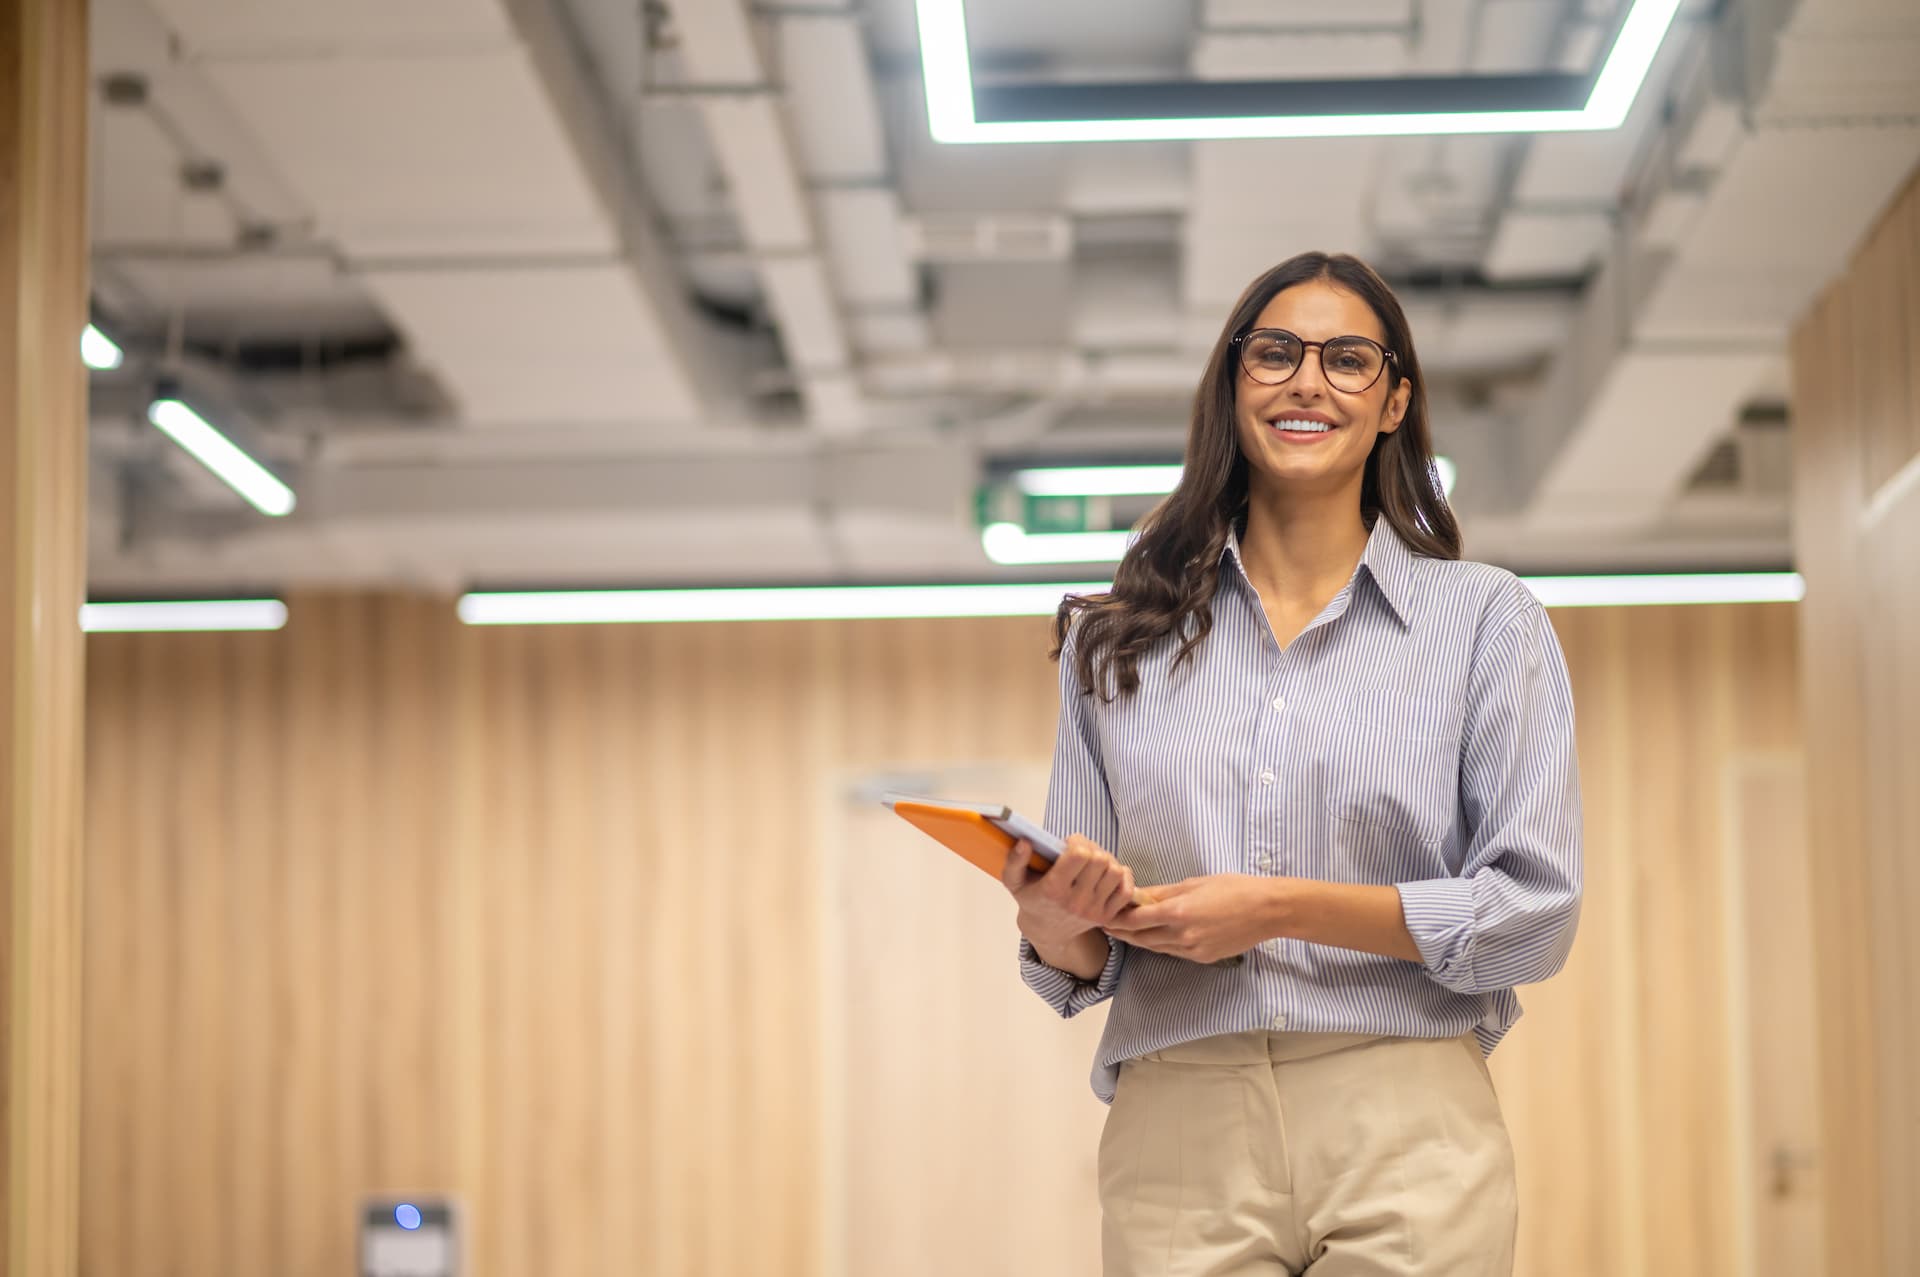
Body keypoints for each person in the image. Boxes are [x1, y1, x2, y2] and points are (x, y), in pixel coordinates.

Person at [999, 251, 1582, 1276]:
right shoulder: (1113, 639)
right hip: (1181, 1117)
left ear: (1395, 397)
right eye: (1275, 352)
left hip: (1404, 1110)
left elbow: (1532, 912)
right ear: (1234, 382)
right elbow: (1087, 953)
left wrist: (1275, 906)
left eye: (1347, 359)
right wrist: (1054, 920)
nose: (1306, 380)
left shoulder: (1489, 621)